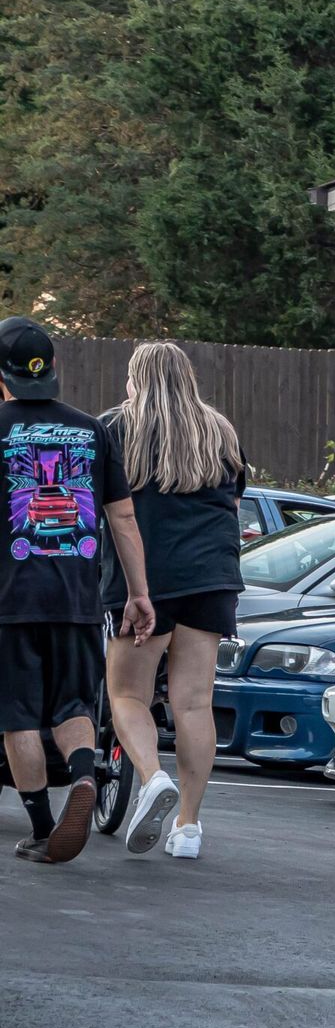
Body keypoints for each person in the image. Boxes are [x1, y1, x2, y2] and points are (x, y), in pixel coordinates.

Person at [0, 315, 155, 864]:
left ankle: (44, 829)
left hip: (10, 603)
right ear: (54, 368)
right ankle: (85, 777)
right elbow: (124, 518)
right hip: (78, 598)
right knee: (73, 703)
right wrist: (139, 594)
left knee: (17, 716)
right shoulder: (94, 431)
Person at [101, 341, 248, 860]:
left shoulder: (116, 429)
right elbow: (231, 502)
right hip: (212, 578)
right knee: (193, 703)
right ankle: (188, 825)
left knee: (128, 696)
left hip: (147, 578)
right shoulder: (219, 431)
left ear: (135, 378)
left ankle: (151, 776)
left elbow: (106, 508)